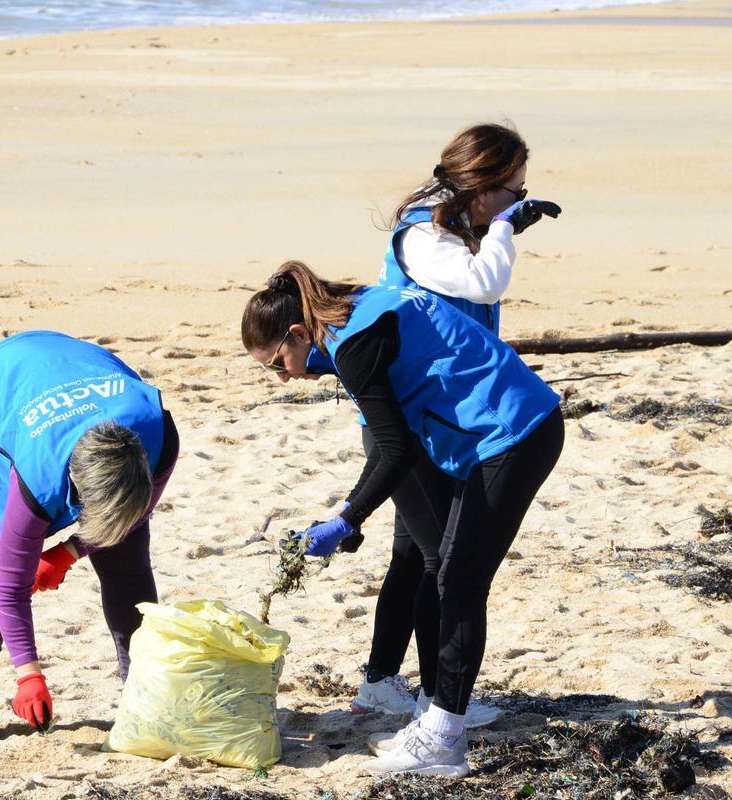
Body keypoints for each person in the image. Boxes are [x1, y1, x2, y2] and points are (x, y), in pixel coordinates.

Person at [242, 261, 565, 777]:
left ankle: (443, 739)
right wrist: (354, 515)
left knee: (457, 582)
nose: (282, 377)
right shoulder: (356, 310)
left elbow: (392, 451)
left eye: (277, 363)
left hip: (515, 434)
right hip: (495, 432)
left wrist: (346, 518)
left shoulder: (355, 344)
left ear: (298, 332)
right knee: (443, 569)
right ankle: (439, 711)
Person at [352, 123, 561, 725]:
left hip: (443, 415)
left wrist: (498, 222)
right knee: (439, 560)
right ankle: (433, 698)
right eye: (514, 189)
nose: (521, 199)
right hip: (410, 423)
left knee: (418, 556)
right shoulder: (422, 235)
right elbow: (483, 281)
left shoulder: (457, 224)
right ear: (481, 185)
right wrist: (503, 229)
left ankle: (388, 685)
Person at [0, 330, 178, 742]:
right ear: (73, 488)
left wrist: (68, 550)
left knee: (126, 559)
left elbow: (129, 517)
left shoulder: (158, 437)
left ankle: (142, 692)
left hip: (75, 372)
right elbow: (9, 589)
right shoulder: (39, 479)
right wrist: (28, 674)